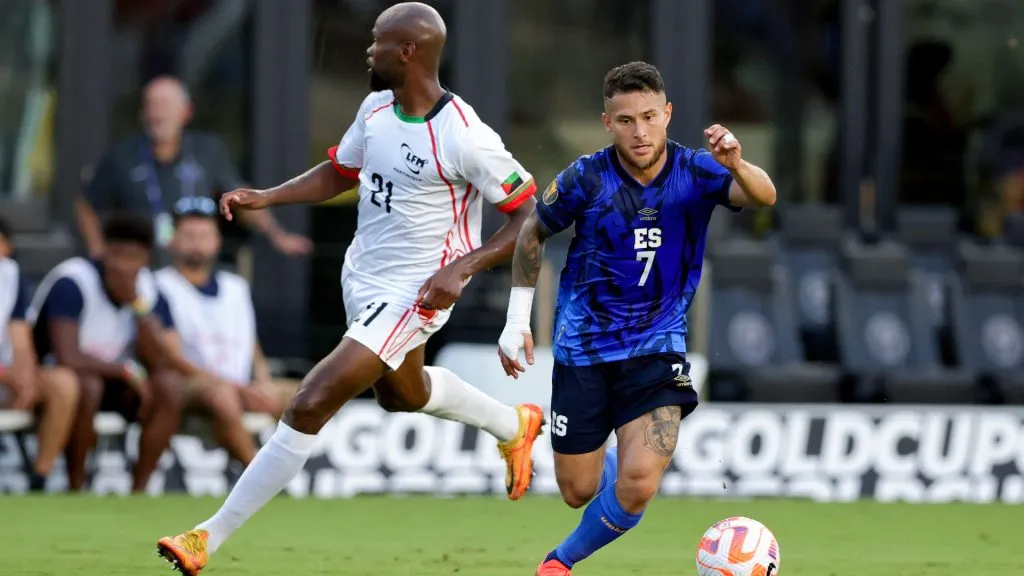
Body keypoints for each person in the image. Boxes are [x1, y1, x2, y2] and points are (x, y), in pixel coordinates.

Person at [157, 3, 544, 573]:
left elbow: (529, 220)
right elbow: (340, 172)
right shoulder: (375, 107)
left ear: (408, 52)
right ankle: (514, 425)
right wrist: (267, 196)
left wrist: (462, 268)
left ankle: (204, 539)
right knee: (400, 394)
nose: (369, 51)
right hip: (363, 277)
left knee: (311, 401)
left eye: (378, 41)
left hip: (417, 291)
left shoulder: (464, 135)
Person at [496, 62, 777, 575]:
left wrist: (736, 164)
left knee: (640, 482)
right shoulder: (587, 177)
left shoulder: (697, 170)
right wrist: (518, 319)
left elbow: (764, 196)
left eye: (649, 116)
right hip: (584, 348)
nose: (640, 130)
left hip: (657, 345)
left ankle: (557, 564)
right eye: (626, 120)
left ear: (667, 115)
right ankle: (599, 466)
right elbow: (531, 233)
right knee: (578, 492)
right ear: (608, 122)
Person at [75, 75, 311, 261]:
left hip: (193, 270)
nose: (156, 113)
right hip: (140, 271)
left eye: (164, 105)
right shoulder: (122, 154)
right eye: (150, 105)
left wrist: (277, 236)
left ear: (186, 113)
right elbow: (85, 205)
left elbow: (240, 198)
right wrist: (98, 250)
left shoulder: (208, 151)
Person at [27, 213, 183, 492]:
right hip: (63, 380)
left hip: (119, 382)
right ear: (103, 252)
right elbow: (68, 357)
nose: (122, 265)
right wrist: (127, 371)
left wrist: (137, 306)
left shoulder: (148, 287)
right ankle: (76, 487)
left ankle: (139, 490)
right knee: (87, 384)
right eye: (115, 255)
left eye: (132, 257)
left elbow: (159, 360)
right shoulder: (73, 280)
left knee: (169, 387)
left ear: (146, 258)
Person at [156, 196, 299, 465]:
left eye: (205, 234)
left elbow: (250, 344)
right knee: (220, 395)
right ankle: (257, 478)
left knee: (310, 393)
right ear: (171, 240)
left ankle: (289, 469)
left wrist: (262, 382)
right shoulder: (159, 285)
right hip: (189, 386)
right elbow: (169, 356)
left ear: (217, 240)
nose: (197, 242)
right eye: (188, 235)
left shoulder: (236, 287)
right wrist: (234, 388)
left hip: (240, 386)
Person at [0, 215, 79, 491]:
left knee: (63, 383)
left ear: (7, 247)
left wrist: (27, 375)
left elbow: (20, 339)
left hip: (7, 377)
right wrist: (7, 376)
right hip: (3, 376)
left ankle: (39, 479)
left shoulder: (9, 275)